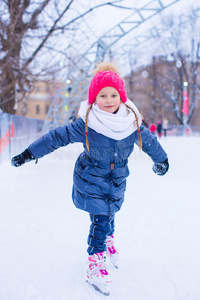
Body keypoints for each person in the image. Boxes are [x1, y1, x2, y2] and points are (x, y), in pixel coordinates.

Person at [11, 62, 169, 296]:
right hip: (91, 176)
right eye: (102, 95)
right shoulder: (87, 124)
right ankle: (95, 263)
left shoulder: (130, 123)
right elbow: (56, 137)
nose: (108, 99)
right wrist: (29, 153)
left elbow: (150, 143)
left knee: (111, 210)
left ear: (121, 97)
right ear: (94, 99)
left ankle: (107, 239)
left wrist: (161, 160)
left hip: (117, 177)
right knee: (101, 217)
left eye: (113, 95)